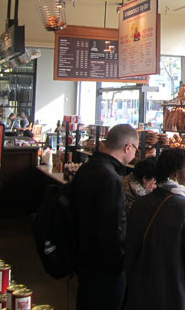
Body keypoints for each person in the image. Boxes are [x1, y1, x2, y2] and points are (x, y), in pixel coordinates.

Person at [125, 148, 185, 310]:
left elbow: (130, 251)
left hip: (141, 295)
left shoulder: (140, 203)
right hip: (175, 298)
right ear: (174, 175)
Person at [71, 124, 139, 310]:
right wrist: (119, 263)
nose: (135, 154)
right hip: (104, 267)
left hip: (83, 258)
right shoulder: (110, 178)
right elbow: (112, 227)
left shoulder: (87, 168)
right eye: (136, 149)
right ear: (128, 147)